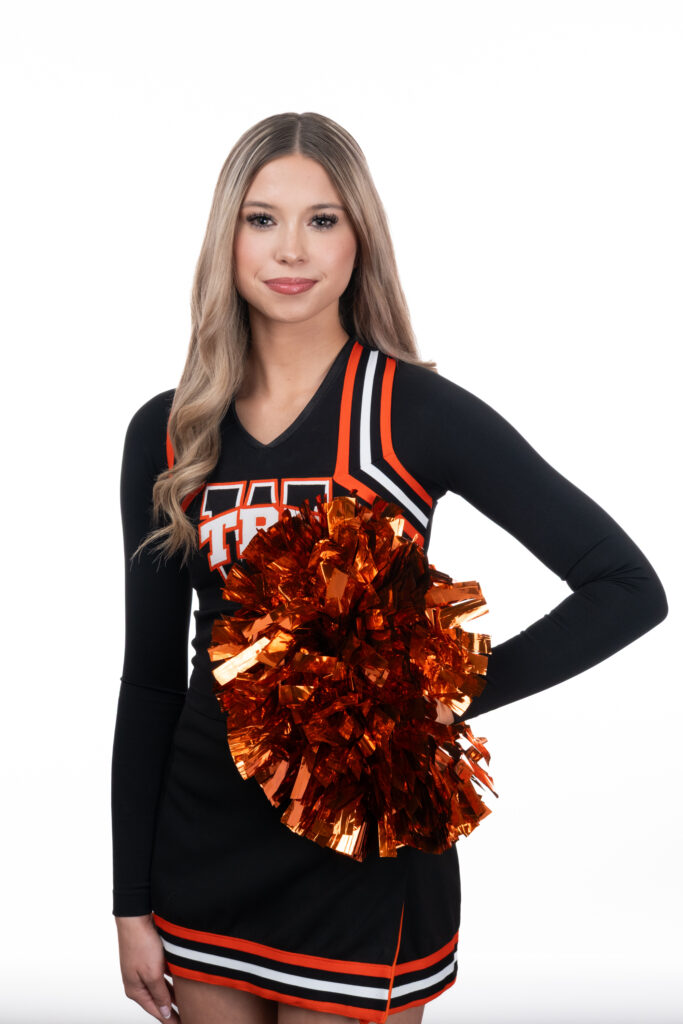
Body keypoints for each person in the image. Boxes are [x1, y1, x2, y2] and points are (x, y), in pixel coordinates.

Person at [111, 111, 668, 1024]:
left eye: (323, 219)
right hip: (202, 847)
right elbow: (150, 682)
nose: (291, 249)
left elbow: (625, 588)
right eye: (262, 219)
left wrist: (438, 700)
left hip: (365, 857)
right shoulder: (171, 431)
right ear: (226, 238)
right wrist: (130, 899)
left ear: (359, 238)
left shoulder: (411, 410)